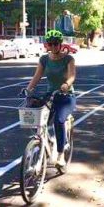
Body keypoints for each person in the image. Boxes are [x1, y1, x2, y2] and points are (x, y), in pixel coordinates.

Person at [26, 29, 76, 167]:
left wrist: (66, 84)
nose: (53, 46)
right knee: (37, 119)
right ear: (46, 45)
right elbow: (37, 77)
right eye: (50, 44)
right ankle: (43, 143)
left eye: (56, 44)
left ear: (60, 44)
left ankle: (60, 155)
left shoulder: (68, 59)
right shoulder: (44, 59)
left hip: (66, 96)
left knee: (59, 121)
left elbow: (72, 76)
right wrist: (28, 90)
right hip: (50, 95)